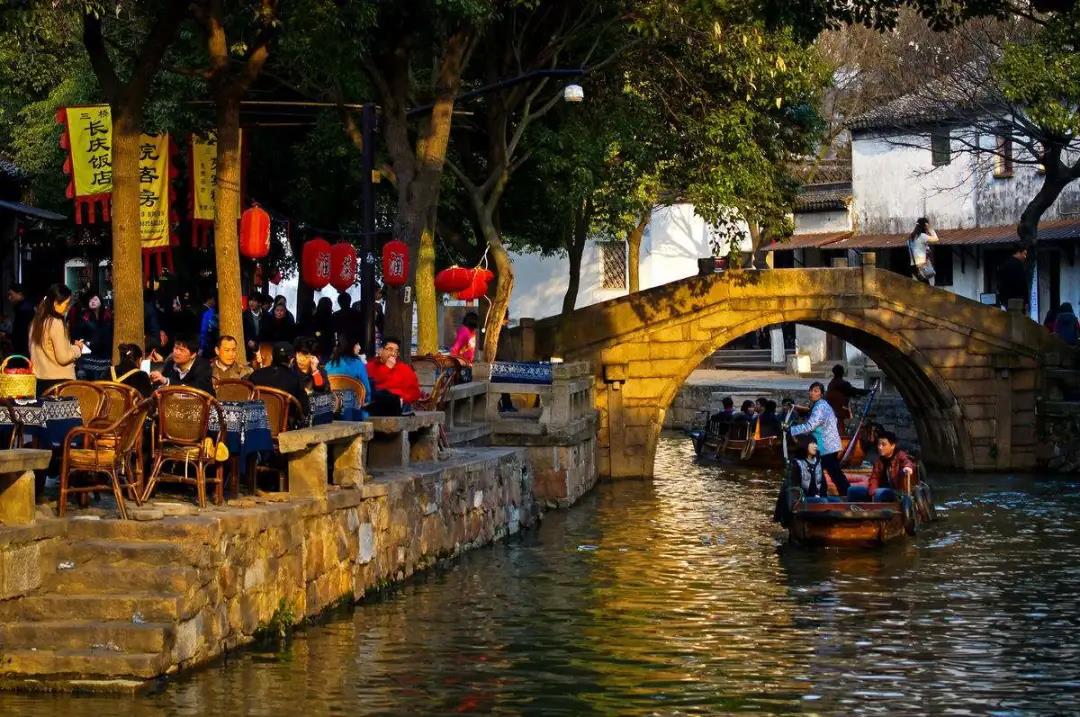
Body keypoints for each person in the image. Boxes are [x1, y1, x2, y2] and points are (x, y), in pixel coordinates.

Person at [785, 381, 850, 497]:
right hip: (828, 445)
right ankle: (840, 494)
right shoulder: (821, 404)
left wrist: (791, 430)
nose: (812, 393)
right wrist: (796, 407)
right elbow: (809, 411)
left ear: (821, 394)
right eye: (811, 390)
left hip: (825, 446)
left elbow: (810, 426)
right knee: (831, 473)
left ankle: (838, 496)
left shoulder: (820, 407)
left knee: (829, 473)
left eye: (815, 391)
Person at [29, 284, 84, 396]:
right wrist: (78, 348)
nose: (68, 307)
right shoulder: (55, 322)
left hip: (39, 381)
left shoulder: (35, 322)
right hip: (59, 383)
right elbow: (63, 358)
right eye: (66, 303)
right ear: (55, 303)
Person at [249, 342, 309, 423]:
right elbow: (305, 409)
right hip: (284, 425)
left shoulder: (255, 375)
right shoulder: (294, 379)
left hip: (258, 423)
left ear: (272, 357)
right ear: (291, 360)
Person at [366, 335, 420, 416]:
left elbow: (415, 393)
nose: (393, 354)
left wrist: (401, 399)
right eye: (390, 349)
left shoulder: (405, 369)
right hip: (376, 404)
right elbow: (373, 384)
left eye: (396, 351)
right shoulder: (370, 366)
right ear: (381, 351)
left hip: (399, 406)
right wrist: (387, 368)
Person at [150, 335, 214, 395]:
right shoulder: (170, 364)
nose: (177, 352)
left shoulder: (204, 367)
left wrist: (167, 381)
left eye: (181, 350)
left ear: (193, 355)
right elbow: (159, 384)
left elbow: (195, 389)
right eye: (175, 348)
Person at [866, 430, 916, 501]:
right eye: (879, 444)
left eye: (883, 445)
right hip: (880, 489)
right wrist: (872, 491)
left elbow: (907, 461)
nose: (880, 447)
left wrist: (908, 467)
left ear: (892, 446)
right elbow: (874, 477)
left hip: (896, 492)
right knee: (853, 491)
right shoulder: (879, 460)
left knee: (879, 493)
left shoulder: (899, 455)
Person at [825, 364, 868, 434]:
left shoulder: (832, 383)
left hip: (834, 410)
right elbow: (852, 391)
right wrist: (866, 392)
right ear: (842, 372)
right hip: (839, 410)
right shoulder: (841, 383)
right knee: (840, 426)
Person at [996, 245, 1029, 311]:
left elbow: (1000, 284)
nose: (1025, 257)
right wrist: (1026, 301)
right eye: (1024, 254)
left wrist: (1002, 300)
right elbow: (1022, 284)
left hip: (1006, 301)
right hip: (1017, 301)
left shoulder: (1004, 264)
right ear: (1018, 252)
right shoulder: (1018, 265)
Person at [907, 217, 939, 285]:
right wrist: (930, 228)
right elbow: (936, 239)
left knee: (918, 288)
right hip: (923, 266)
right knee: (930, 287)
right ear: (925, 226)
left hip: (913, 267)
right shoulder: (922, 236)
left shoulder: (910, 238)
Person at [8, 283, 35, 357]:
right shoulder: (24, 307)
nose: (9, 298)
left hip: (24, 350)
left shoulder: (24, 309)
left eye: (11, 295)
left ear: (20, 294)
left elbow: (21, 333)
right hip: (25, 349)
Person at [242, 295, 265, 361]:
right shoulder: (244, 316)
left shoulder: (267, 316)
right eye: (250, 300)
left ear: (260, 303)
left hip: (263, 348)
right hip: (249, 349)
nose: (251, 303)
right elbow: (243, 331)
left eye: (254, 301)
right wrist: (248, 340)